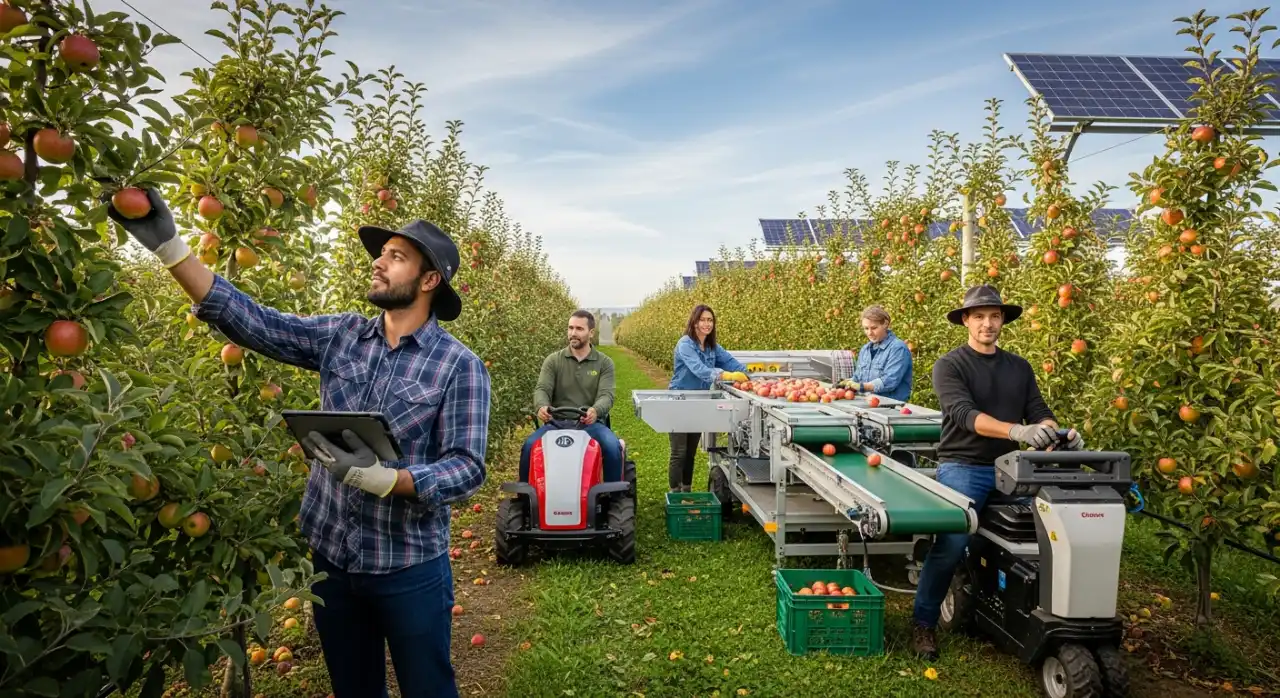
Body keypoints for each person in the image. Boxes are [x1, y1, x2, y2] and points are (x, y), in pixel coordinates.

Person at [107, 189, 489, 698]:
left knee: (428, 689)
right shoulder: (342, 335)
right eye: (381, 253)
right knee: (353, 689)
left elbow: (467, 466)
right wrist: (173, 250)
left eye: (395, 257)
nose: (378, 263)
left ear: (429, 280)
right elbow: (256, 323)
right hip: (331, 557)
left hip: (408, 565)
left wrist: (394, 480)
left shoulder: (459, 365)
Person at [912, 284, 1082, 660]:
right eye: (979, 317)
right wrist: (1016, 431)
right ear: (966, 322)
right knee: (952, 543)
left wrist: (1053, 431)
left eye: (994, 316)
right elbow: (964, 415)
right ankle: (924, 622)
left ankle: (1036, 613)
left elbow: (1038, 409)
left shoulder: (1019, 367)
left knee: (1051, 527)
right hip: (963, 466)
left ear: (1002, 320)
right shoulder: (950, 365)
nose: (987, 323)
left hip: (1011, 468)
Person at [526, 310, 622, 482]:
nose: (573, 333)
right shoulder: (554, 361)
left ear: (591, 333)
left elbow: (606, 395)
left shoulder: (604, 363)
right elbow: (542, 389)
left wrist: (595, 410)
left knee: (612, 446)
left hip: (590, 424)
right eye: (570, 328)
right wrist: (541, 406)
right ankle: (526, 498)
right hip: (556, 423)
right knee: (529, 446)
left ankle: (614, 497)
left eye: (579, 328)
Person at [666, 304, 748, 493]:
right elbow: (699, 370)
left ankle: (686, 489)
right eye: (702, 319)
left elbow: (730, 361)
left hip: (699, 402)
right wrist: (725, 376)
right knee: (679, 452)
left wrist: (747, 375)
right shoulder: (685, 344)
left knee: (691, 452)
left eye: (710, 320)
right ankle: (675, 493)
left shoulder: (712, 347)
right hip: (680, 400)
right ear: (694, 322)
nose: (706, 323)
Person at [838, 305, 913, 402]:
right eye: (866, 328)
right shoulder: (865, 350)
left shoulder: (898, 349)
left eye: (873, 328)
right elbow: (857, 378)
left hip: (891, 408)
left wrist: (861, 386)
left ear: (885, 324)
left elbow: (890, 381)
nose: (869, 333)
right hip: (867, 404)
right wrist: (847, 383)